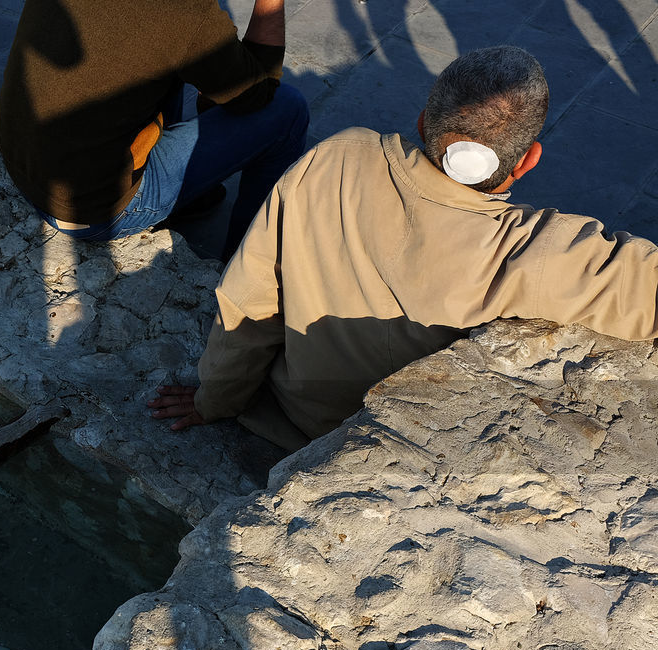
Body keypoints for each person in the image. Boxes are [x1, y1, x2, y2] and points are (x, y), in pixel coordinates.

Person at [148, 45, 658, 451]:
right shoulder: (535, 252)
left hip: (287, 415)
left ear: (421, 124)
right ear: (528, 162)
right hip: (370, 446)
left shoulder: (334, 159)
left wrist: (213, 399)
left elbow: (249, 302)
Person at [0, 0, 310, 260]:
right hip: (94, 209)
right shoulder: (188, 13)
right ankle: (247, 269)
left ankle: (192, 193)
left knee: (174, 52)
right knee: (288, 110)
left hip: (22, 166)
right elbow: (256, 95)